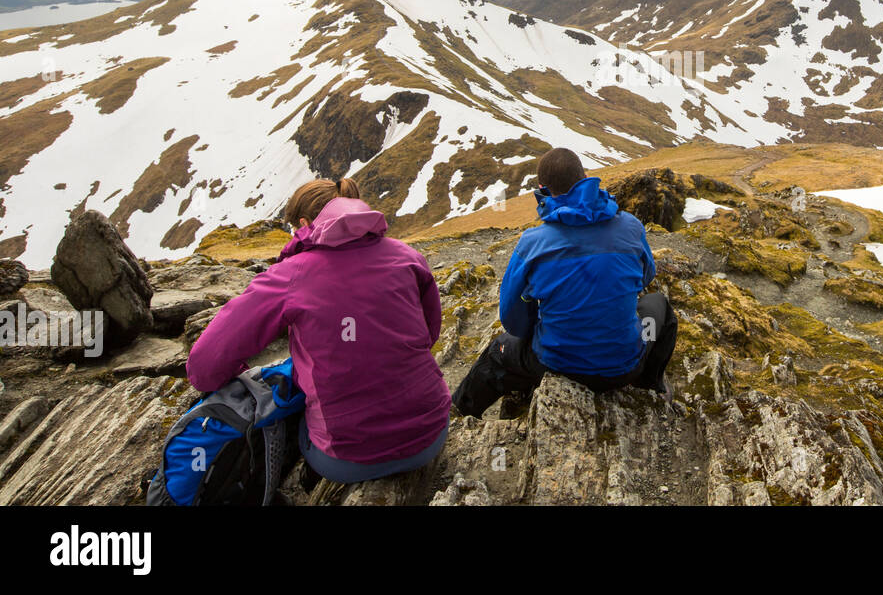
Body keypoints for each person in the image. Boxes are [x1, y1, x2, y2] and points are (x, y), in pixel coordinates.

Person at [187, 178, 451, 485]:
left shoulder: (289, 275)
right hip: (431, 435)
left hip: (349, 460)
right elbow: (429, 334)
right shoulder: (407, 256)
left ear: (304, 223)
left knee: (290, 407)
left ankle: (302, 483)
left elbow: (204, 367)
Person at [452, 148, 677, 417]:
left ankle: (460, 412)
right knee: (658, 305)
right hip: (625, 366)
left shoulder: (533, 243)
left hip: (555, 365)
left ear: (542, 189)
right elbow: (646, 277)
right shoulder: (630, 226)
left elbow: (512, 320)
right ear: (585, 177)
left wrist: (538, 322)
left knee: (497, 353)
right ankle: (650, 385)